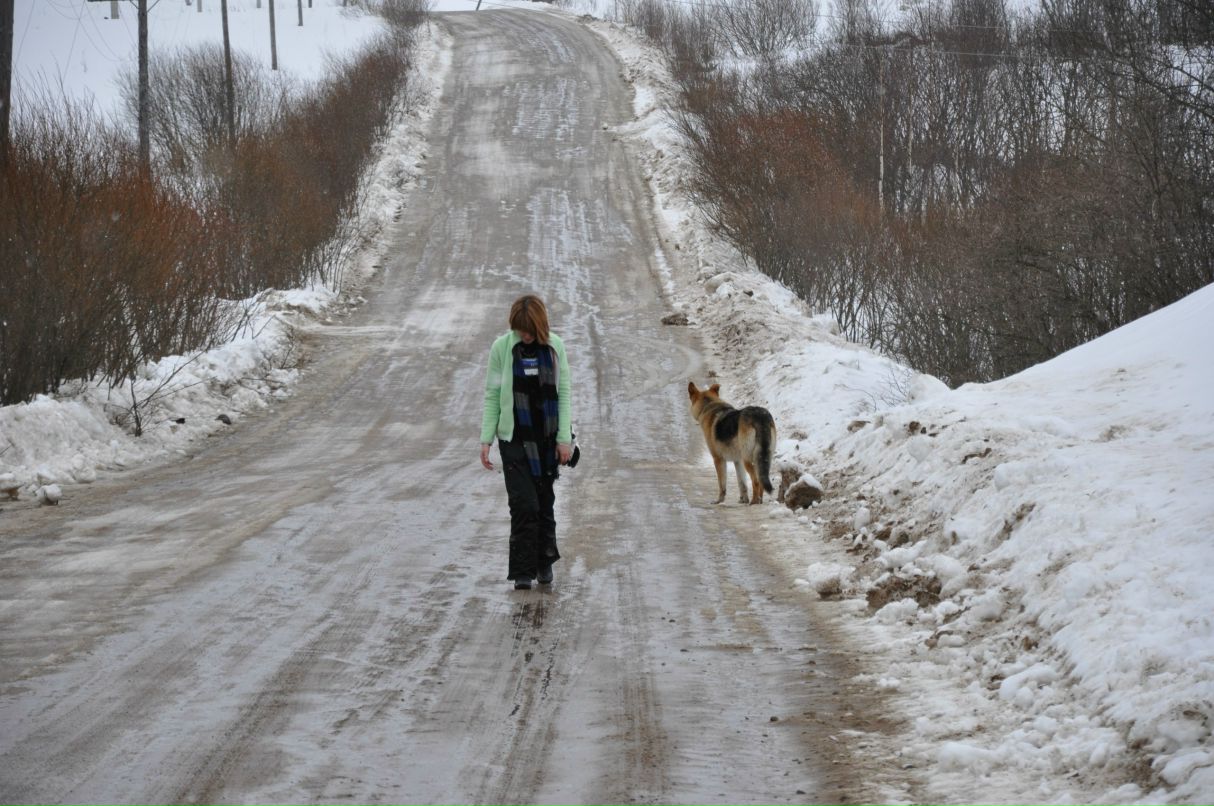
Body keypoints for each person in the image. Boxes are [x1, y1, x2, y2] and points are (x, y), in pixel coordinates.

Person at [479, 295, 573, 590]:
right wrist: (486, 438)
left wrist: (564, 439)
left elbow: (564, 395)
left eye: (529, 330)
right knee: (523, 505)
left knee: (545, 503)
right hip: (514, 439)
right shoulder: (502, 348)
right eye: (520, 330)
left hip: (546, 440)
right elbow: (493, 394)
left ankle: (544, 562)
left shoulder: (555, 347)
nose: (525, 335)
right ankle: (522, 571)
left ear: (540, 326)